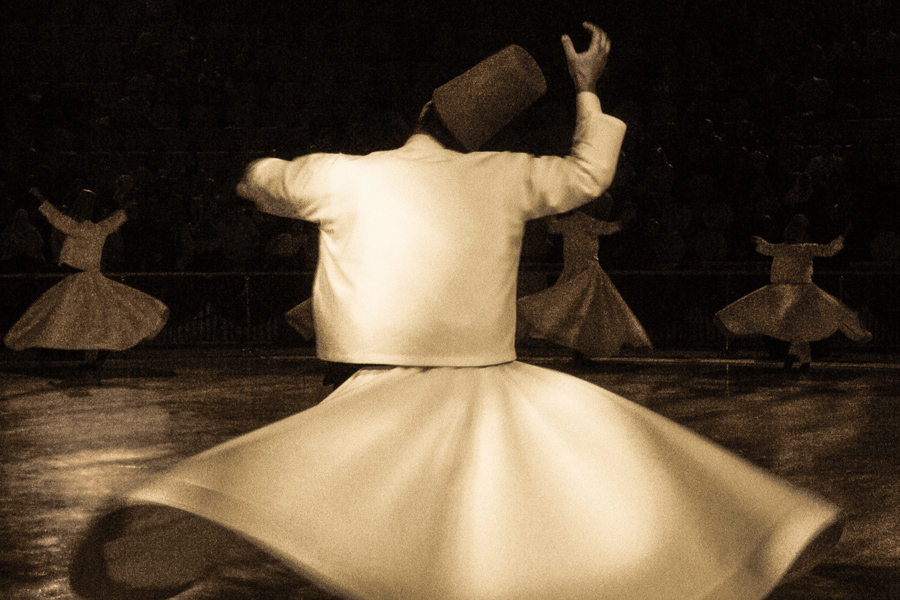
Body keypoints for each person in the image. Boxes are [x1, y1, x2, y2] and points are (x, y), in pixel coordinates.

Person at [71, 24, 840, 600]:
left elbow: (267, 178)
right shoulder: (504, 175)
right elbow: (588, 174)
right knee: (484, 514)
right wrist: (587, 85)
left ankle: (201, 546)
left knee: (310, 492)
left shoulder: (344, 176)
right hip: (477, 385)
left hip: (369, 383)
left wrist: (257, 177)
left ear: (421, 112)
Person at [4, 187, 169, 370]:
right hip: (90, 279)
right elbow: (115, 218)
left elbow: (55, 216)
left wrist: (39, 197)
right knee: (94, 319)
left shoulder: (79, 228)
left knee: (63, 315)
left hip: (82, 281)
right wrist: (126, 208)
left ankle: (79, 355)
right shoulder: (99, 228)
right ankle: (91, 358)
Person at [715, 214, 872, 370]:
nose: (790, 233)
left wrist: (843, 235)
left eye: (795, 230)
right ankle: (800, 358)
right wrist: (756, 239)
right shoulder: (781, 248)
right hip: (784, 293)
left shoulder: (803, 249)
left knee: (800, 326)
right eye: (790, 229)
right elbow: (764, 247)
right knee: (797, 327)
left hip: (800, 293)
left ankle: (797, 357)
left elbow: (829, 250)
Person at [516, 197, 651, 361]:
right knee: (585, 311)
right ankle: (583, 347)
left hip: (583, 272)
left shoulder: (576, 221)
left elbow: (553, 227)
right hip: (583, 272)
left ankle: (582, 347)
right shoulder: (583, 221)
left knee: (580, 310)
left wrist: (547, 210)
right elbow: (609, 228)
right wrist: (624, 220)